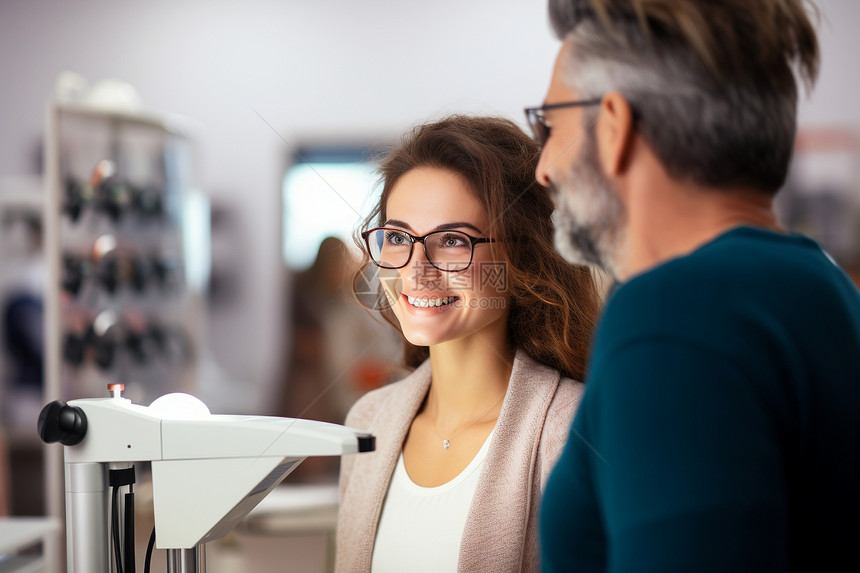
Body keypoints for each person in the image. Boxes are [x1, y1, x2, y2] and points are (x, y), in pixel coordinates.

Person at [531, 1, 860, 572]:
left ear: (613, 126)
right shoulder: (821, 286)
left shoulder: (672, 312)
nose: (542, 168)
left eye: (549, 125)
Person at [336, 115, 603, 572]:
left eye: (454, 241)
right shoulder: (368, 422)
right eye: (398, 237)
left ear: (520, 255)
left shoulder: (571, 433)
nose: (416, 269)